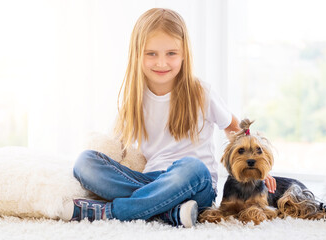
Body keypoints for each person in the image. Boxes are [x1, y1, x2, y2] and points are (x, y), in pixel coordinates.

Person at [59, 8, 276, 227]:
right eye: (151, 53)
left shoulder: (200, 92)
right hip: (150, 181)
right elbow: (113, 146)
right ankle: (167, 212)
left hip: (195, 184)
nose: (161, 63)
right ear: (137, 54)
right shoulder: (134, 98)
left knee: (191, 166)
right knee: (85, 162)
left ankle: (113, 211)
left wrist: (256, 166)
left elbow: (234, 128)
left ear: (184, 54)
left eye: (171, 54)